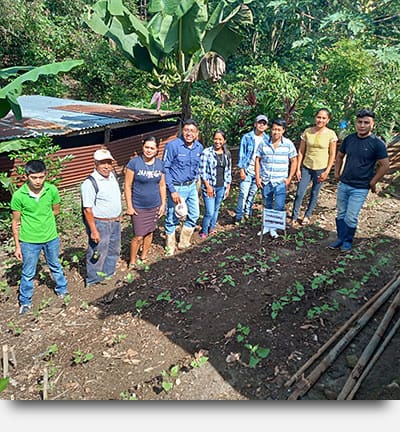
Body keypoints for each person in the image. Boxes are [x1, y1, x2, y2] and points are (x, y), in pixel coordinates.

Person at [11, 160, 68, 315]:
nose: (38, 181)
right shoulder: (19, 195)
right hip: (29, 240)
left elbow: (56, 210)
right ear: (26, 176)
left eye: (41, 177)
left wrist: (44, 222)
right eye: (34, 177)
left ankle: (62, 289)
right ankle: (25, 301)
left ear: (46, 175)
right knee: (28, 272)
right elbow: (16, 222)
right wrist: (17, 245)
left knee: (55, 264)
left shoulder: (52, 190)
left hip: (51, 237)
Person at [328, 109, 389, 252]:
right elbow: (339, 156)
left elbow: (385, 165)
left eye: (366, 123)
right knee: (341, 213)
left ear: (372, 124)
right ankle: (340, 238)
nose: (362, 125)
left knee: (351, 216)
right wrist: (337, 173)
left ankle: (348, 241)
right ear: (356, 123)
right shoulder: (349, 139)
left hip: (360, 187)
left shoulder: (377, 144)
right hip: (344, 183)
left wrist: (373, 182)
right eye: (360, 122)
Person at [162, 119, 204, 256]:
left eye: (192, 131)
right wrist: (172, 190)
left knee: (194, 214)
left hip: (191, 186)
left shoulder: (199, 147)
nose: (189, 133)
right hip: (176, 188)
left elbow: (198, 168)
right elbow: (165, 169)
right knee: (172, 217)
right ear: (182, 131)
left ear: (197, 133)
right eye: (186, 130)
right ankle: (170, 245)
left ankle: (184, 241)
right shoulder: (173, 146)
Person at [290, 108, 338, 226]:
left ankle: (307, 215)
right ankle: (294, 216)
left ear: (327, 120)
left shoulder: (331, 134)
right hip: (307, 167)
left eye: (323, 118)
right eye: (318, 117)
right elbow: (301, 151)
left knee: (314, 192)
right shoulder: (308, 132)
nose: (320, 120)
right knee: (300, 192)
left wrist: (327, 171)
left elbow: (332, 155)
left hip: (321, 168)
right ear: (315, 118)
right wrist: (298, 168)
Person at [81, 148, 122, 286]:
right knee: (98, 252)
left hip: (114, 221)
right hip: (100, 223)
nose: (106, 166)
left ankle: (108, 275)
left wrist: (118, 215)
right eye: (102, 163)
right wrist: (93, 230)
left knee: (113, 250)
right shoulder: (90, 183)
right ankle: (94, 280)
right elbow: (87, 209)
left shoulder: (112, 176)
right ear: (95, 163)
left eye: (109, 163)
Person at [124, 136, 166, 268]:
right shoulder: (134, 163)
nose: (149, 150)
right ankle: (132, 261)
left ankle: (144, 256)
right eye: (147, 147)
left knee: (150, 232)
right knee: (138, 235)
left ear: (157, 150)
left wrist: (163, 204)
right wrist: (129, 206)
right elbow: (127, 186)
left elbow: (162, 185)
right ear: (142, 147)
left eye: (152, 148)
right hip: (138, 206)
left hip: (154, 205)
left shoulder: (160, 164)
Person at [255, 119, 298, 238]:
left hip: (280, 181)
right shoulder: (264, 143)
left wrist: (289, 178)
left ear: (283, 131)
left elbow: (294, 160)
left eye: (279, 130)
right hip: (266, 180)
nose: (276, 132)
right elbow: (257, 160)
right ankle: (266, 227)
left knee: (278, 205)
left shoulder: (288, 144)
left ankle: (273, 227)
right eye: (274, 129)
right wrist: (258, 177)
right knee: (267, 204)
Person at [233, 114, 269, 223]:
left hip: (259, 172)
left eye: (264, 123)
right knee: (243, 194)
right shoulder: (247, 137)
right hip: (248, 170)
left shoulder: (268, 139)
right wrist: (241, 169)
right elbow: (242, 154)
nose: (261, 125)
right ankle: (239, 216)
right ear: (255, 124)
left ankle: (247, 214)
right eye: (259, 123)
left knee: (252, 194)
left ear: (266, 126)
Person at [199, 130, 232, 238]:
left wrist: (228, 187)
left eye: (220, 139)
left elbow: (228, 171)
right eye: (216, 139)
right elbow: (202, 172)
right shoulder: (207, 152)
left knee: (216, 209)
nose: (217, 141)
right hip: (210, 186)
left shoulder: (226, 154)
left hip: (221, 186)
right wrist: (208, 186)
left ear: (224, 141)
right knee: (209, 211)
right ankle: (204, 230)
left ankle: (212, 228)